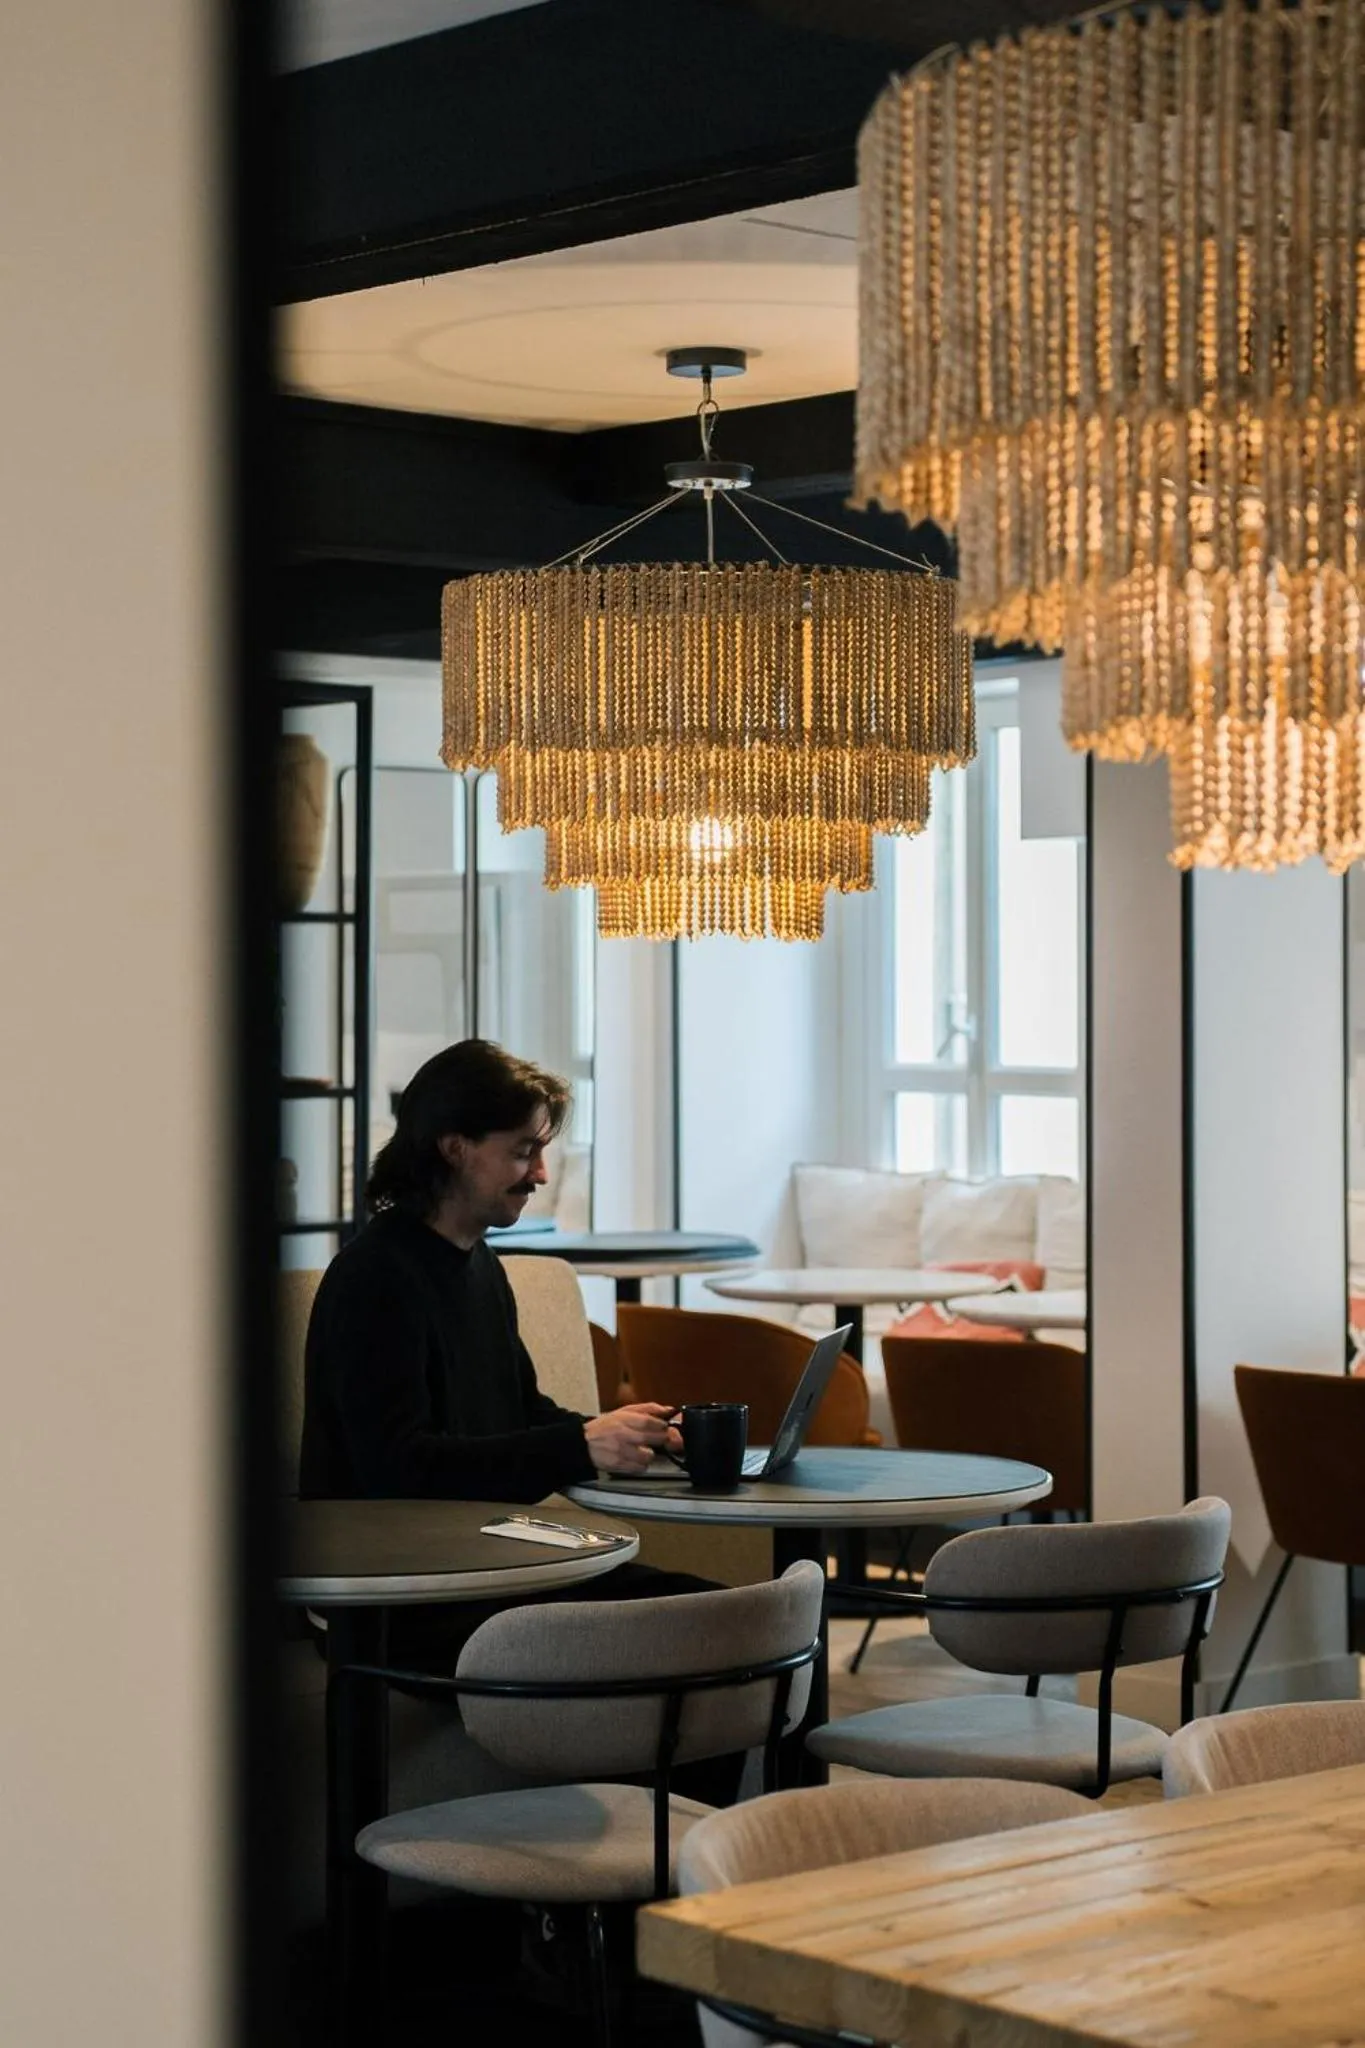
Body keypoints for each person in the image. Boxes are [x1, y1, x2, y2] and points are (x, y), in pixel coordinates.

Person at [299, 1036, 715, 1660]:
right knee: (698, 1634)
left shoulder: (480, 1266)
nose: (541, 1175)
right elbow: (398, 1472)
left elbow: (520, 1412)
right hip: (397, 1595)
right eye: (523, 1152)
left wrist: (622, 1435)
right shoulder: (375, 1279)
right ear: (455, 1148)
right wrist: (578, 1445)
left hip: (483, 1563)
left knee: (724, 1616)